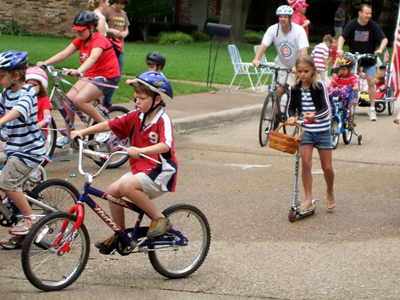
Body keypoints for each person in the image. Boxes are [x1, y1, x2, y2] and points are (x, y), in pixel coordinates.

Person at [70, 71, 178, 254]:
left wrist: (142, 150)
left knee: (127, 186)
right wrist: (83, 132)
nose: (137, 102)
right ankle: (120, 234)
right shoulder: (137, 116)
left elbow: (165, 145)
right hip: (141, 169)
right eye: (136, 98)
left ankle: (160, 219)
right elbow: (110, 124)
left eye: (142, 99)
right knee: (112, 191)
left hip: (161, 170)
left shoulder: (163, 119)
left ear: (157, 100)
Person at [37, 11, 120, 148]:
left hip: (108, 77)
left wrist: (78, 70)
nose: (79, 33)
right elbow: (64, 53)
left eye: (82, 30)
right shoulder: (81, 40)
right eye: (77, 30)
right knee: (67, 100)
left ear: (91, 28)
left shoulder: (99, 40)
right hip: (91, 75)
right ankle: (70, 136)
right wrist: (44, 63)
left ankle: (105, 128)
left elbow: (93, 58)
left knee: (80, 100)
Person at [0, 51, 46, 249]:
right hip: (12, 148)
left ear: (16, 75)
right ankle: (17, 218)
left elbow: (18, 110)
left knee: (6, 182)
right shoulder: (5, 94)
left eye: (2, 75)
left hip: (28, 150)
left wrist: (1, 121)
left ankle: (30, 218)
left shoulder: (27, 92)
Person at [286, 55, 335, 213]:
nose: (302, 74)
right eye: (299, 71)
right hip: (306, 130)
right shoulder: (294, 88)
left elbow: (326, 108)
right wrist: (292, 117)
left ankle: (330, 191)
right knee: (306, 164)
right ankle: (308, 198)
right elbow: (290, 107)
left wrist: (315, 116)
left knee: (326, 167)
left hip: (322, 129)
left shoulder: (320, 85)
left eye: (306, 71)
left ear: (313, 70)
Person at [337, 4, 388, 121]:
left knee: (371, 81)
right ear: (360, 13)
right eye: (367, 13)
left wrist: (380, 48)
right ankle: (346, 106)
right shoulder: (352, 24)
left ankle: (372, 109)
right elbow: (342, 37)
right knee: (349, 81)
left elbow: (384, 39)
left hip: (369, 58)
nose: (369, 15)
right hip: (355, 59)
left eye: (370, 13)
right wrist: (339, 48)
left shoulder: (373, 26)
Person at [253, 5, 309, 103]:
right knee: (277, 92)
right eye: (280, 17)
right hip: (281, 63)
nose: (283, 19)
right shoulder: (273, 29)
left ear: (290, 18)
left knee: (293, 92)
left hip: (296, 64)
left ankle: (292, 114)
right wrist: (256, 59)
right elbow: (263, 45)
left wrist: (299, 66)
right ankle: (275, 117)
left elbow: (303, 51)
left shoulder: (299, 31)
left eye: (285, 17)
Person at [102, 0, 130, 108]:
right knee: (108, 75)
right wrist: (112, 31)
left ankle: (107, 101)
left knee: (117, 76)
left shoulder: (123, 14)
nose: (122, 6)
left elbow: (126, 28)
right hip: (109, 47)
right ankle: (103, 101)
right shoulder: (107, 11)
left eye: (124, 5)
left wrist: (125, 33)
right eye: (121, 4)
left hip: (120, 48)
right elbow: (102, 27)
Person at [328, 53, 359, 127]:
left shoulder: (353, 77)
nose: (342, 71)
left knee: (348, 105)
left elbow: (356, 85)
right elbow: (331, 84)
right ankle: (335, 118)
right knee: (335, 105)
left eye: (344, 69)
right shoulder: (338, 77)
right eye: (341, 69)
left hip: (350, 95)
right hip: (340, 95)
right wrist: (328, 88)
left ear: (350, 68)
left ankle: (350, 120)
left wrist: (354, 88)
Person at [25, 67, 52, 142]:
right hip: (24, 131)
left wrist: (40, 124)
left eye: (34, 85)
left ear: (41, 86)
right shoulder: (22, 98)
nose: (31, 87)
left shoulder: (44, 99)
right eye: (28, 84)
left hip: (39, 131)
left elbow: (47, 117)